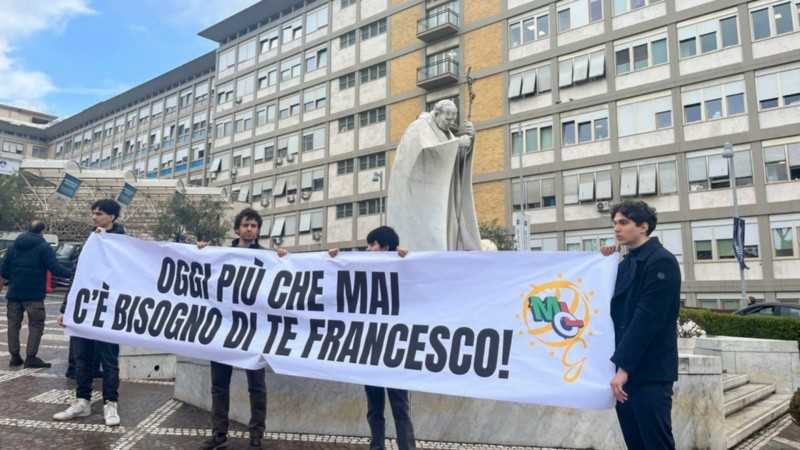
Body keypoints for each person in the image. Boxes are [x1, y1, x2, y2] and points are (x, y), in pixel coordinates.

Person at [199, 208, 287, 450]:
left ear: (258, 230)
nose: (250, 229)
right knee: (219, 386)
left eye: (254, 226)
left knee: (256, 386)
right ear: (237, 228)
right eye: (246, 225)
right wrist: (199, 252)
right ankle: (218, 435)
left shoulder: (268, 257)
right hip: (223, 329)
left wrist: (283, 259)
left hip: (254, 331)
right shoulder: (220, 254)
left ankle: (256, 435)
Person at [600, 200, 681, 450]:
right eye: (614, 223)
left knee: (656, 444)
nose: (617, 228)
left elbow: (647, 319)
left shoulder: (661, 262)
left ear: (644, 226)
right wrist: (605, 264)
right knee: (635, 444)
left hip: (649, 372)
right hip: (624, 372)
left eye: (623, 222)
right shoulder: (625, 262)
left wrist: (623, 367)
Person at [329, 226, 415, 450]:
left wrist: (408, 258)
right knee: (375, 408)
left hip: (396, 352)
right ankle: (377, 447)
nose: (367, 250)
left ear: (385, 247)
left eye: (372, 245)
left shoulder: (404, 266)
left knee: (400, 409)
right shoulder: (363, 269)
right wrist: (332, 260)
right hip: (370, 350)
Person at [54, 199, 126, 427]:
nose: (94, 217)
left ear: (112, 217)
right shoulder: (90, 239)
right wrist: (66, 308)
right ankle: (82, 401)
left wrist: (107, 241)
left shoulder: (124, 243)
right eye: (93, 213)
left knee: (109, 359)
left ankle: (110, 404)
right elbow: (78, 275)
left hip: (109, 309)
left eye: (100, 213)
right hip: (85, 307)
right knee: (82, 358)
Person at [386, 99, 481, 251]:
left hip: (445, 193)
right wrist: (456, 144)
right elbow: (424, 153)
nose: (450, 122)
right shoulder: (419, 126)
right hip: (422, 198)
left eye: (453, 119)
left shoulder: (447, 133)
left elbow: (455, 162)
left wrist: (470, 140)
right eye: (447, 118)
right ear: (437, 114)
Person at [0, 220, 72, 368]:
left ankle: (14, 356)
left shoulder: (13, 247)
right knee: (36, 324)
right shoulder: (43, 247)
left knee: (13, 325)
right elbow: (56, 269)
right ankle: (31, 357)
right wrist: (74, 273)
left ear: (27, 229)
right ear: (42, 231)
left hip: (14, 293)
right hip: (33, 295)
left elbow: (4, 271)